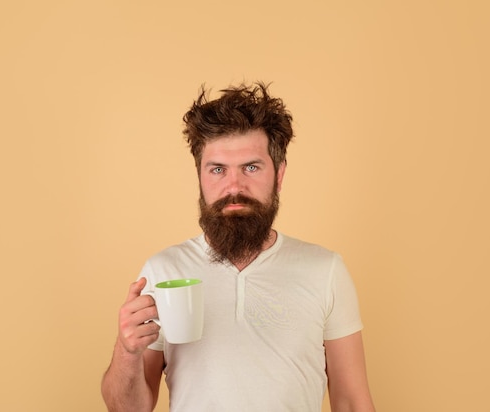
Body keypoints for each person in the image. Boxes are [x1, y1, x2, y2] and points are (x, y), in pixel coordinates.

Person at [101, 82, 376, 412]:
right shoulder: (163, 272)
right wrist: (126, 351)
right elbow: (126, 409)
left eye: (251, 167)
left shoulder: (325, 270)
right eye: (217, 169)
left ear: (279, 174)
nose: (234, 186)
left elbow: (351, 401)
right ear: (200, 176)